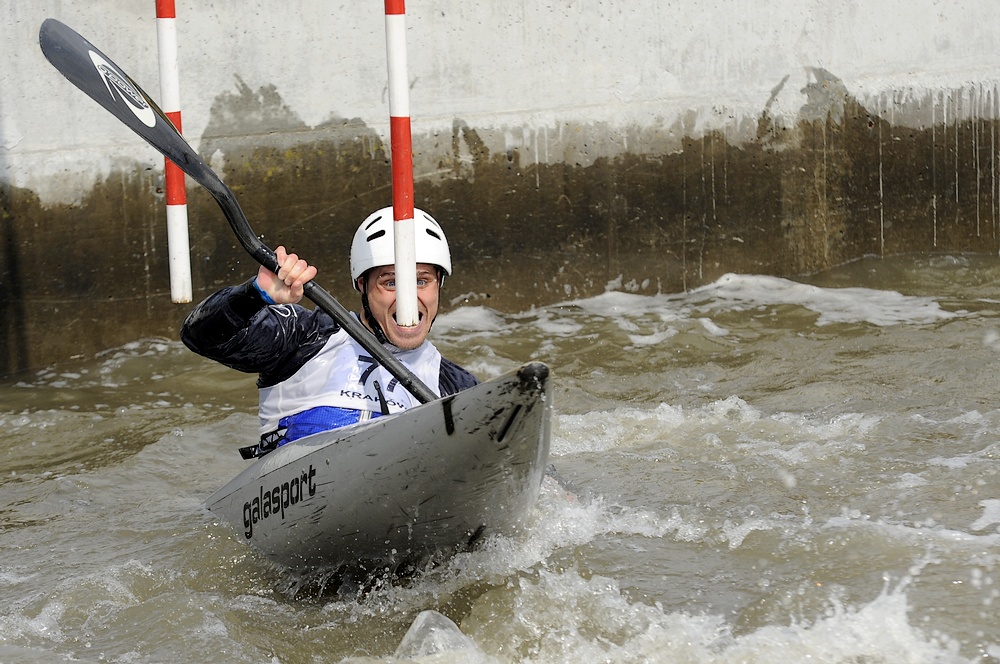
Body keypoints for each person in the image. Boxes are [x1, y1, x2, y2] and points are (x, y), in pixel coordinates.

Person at [180, 207, 479, 458]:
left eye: (422, 281)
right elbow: (199, 336)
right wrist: (253, 295)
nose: (408, 299)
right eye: (390, 283)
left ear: (439, 284)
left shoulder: (456, 387)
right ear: (361, 284)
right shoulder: (303, 337)